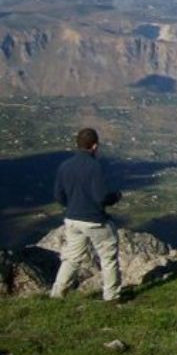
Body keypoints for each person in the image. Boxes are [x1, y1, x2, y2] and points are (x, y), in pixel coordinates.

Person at [50, 127, 124, 301]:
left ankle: (57, 294)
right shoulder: (94, 166)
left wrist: (73, 206)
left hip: (72, 219)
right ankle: (112, 297)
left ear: (77, 144)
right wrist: (116, 197)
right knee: (108, 258)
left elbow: (58, 195)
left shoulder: (65, 166)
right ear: (95, 146)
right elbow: (101, 197)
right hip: (94, 221)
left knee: (71, 258)